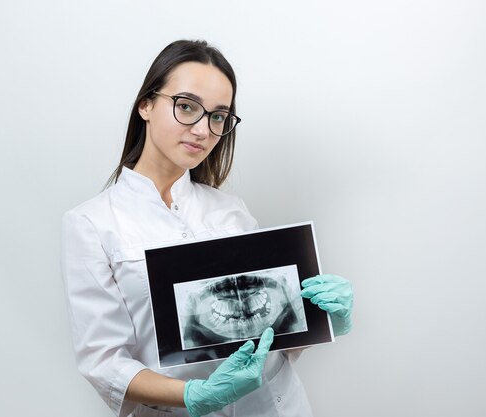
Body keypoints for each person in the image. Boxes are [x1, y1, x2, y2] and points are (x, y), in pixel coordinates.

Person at [61, 39, 354, 417]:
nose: (203, 130)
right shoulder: (92, 224)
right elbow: (103, 361)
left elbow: (270, 338)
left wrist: (317, 319)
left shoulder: (231, 211)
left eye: (218, 116)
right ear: (146, 105)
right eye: (186, 107)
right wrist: (193, 395)